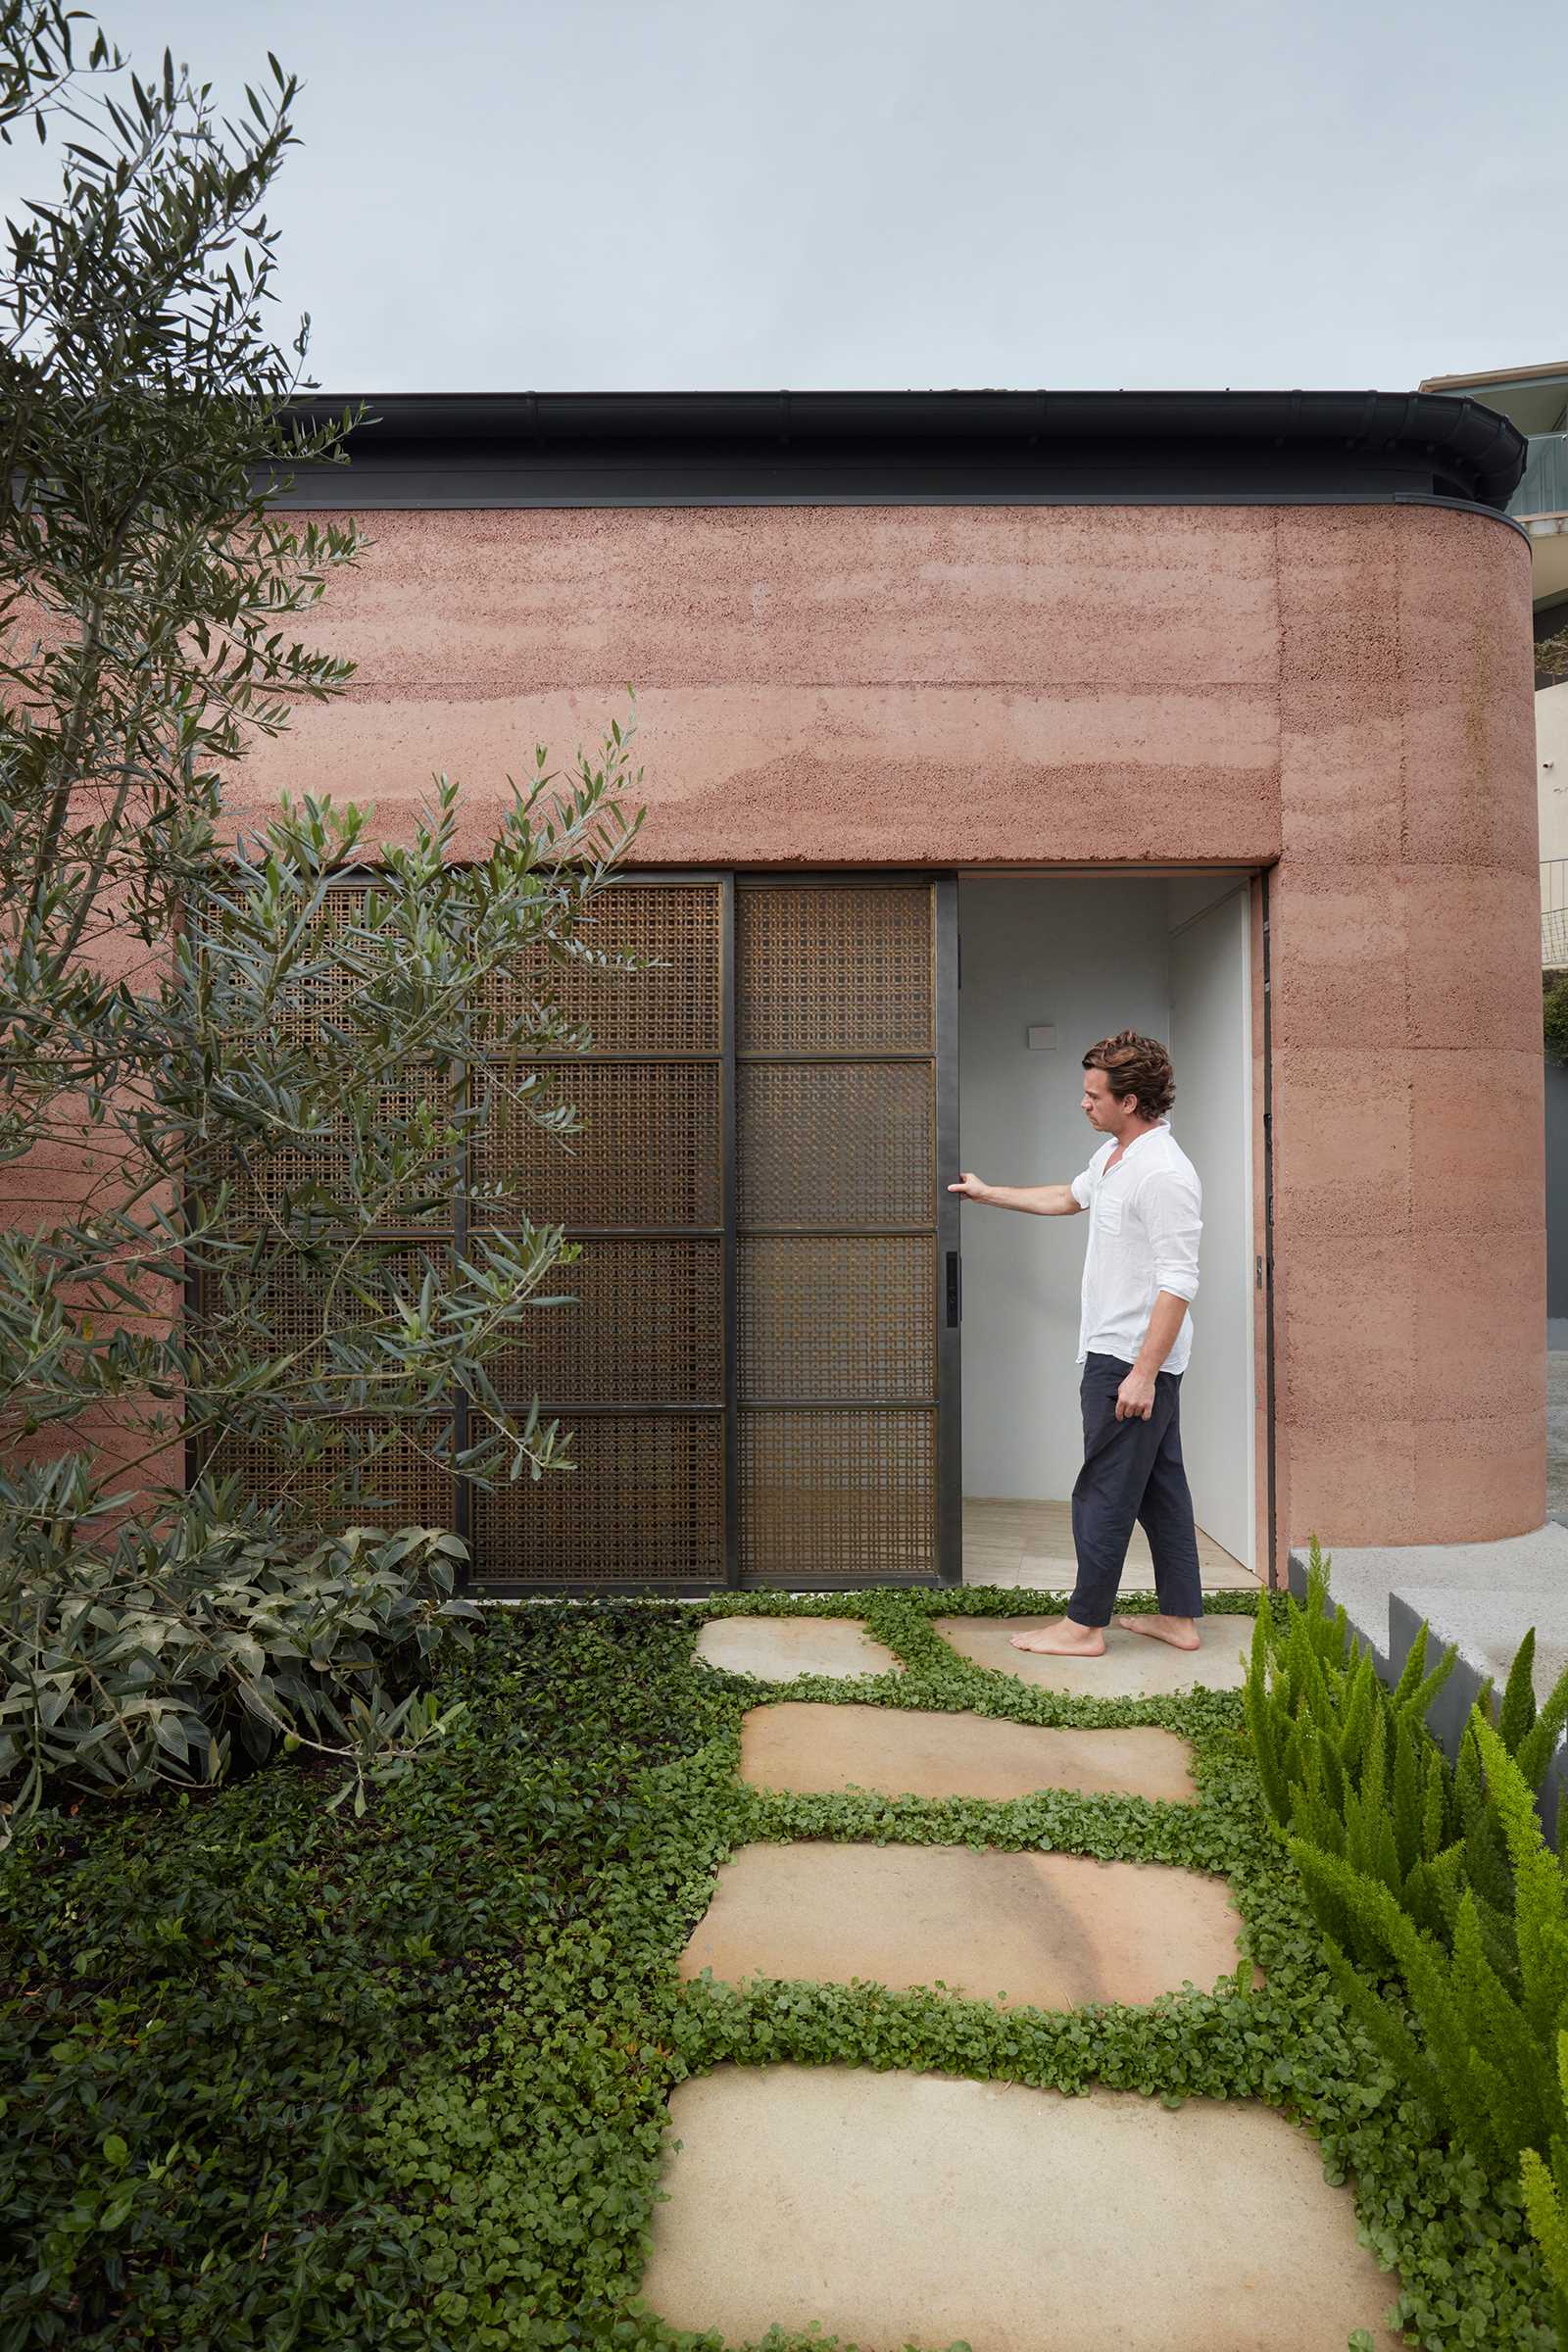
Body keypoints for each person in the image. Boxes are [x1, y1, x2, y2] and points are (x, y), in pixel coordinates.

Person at [948, 1029, 1203, 1657]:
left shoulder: (1164, 1174)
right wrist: (987, 1193)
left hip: (1129, 1360)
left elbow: (1179, 1282)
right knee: (1159, 1487)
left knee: (1104, 1491)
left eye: (1094, 1096)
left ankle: (1084, 1626)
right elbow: (1068, 1197)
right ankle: (1179, 1618)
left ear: (1133, 1100)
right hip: (1121, 1354)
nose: (1084, 1104)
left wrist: (1141, 1374)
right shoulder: (1116, 1159)